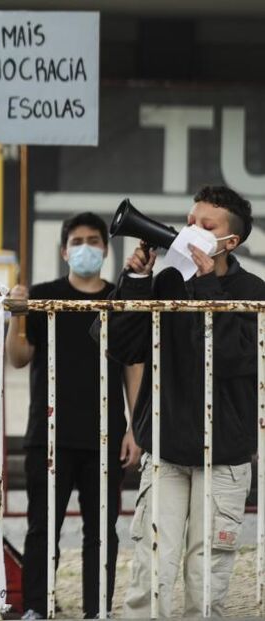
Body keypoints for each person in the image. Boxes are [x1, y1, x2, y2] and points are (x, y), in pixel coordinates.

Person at [107, 186, 265, 618]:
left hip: (225, 456)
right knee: (150, 570)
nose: (192, 229)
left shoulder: (254, 291)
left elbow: (234, 358)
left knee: (205, 575)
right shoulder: (168, 281)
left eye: (206, 226)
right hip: (166, 449)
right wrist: (136, 282)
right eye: (190, 220)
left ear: (229, 242)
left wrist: (210, 287)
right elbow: (123, 347)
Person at [5, 212, 142, 619]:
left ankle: (96, 610)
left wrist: (134, 428)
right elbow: (18, 358)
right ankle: (35, 609)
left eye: (94, 240)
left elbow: (133, 365)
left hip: (106, 435)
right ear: (65, 251)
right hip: (47, 436)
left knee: (101, 533)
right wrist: (18, 314)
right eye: (78, 241)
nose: (86, 247)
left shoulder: (120, 301)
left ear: (105, 248)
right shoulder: (43, 297)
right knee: (41, 529)